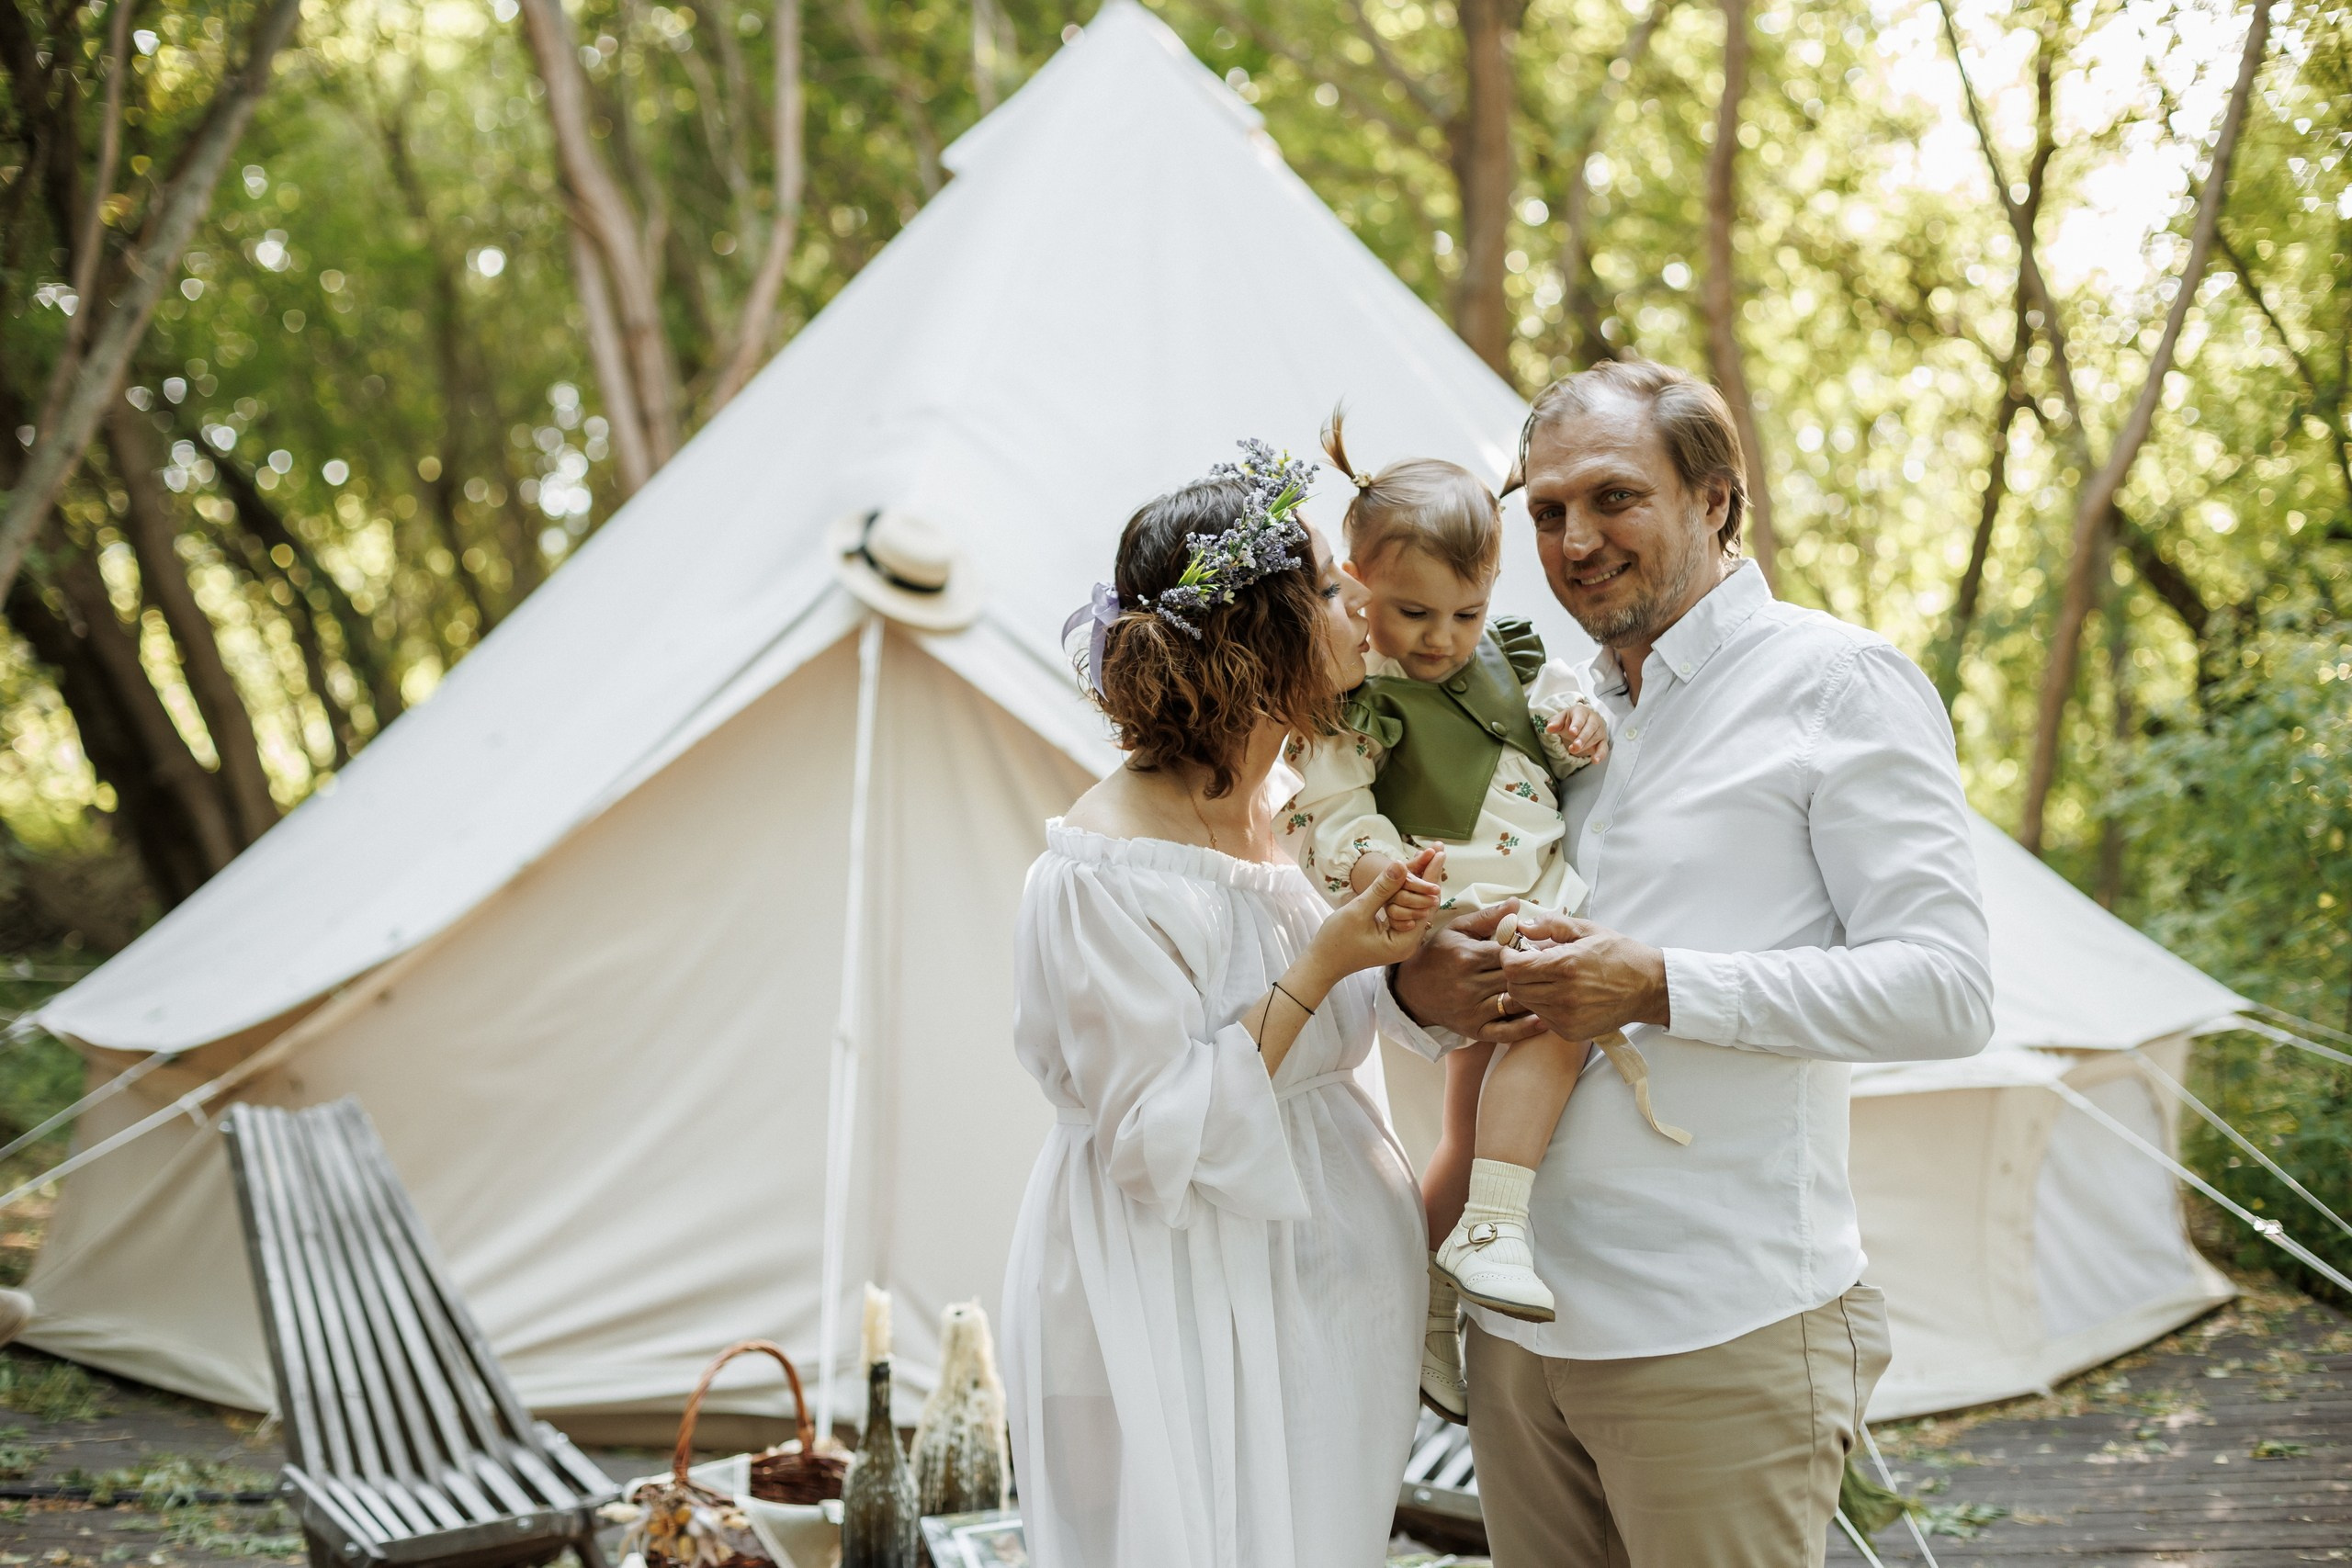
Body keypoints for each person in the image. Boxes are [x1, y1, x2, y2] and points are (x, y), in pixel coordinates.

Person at [1389, 360, 1995, 1567]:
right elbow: (1444, 949)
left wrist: (1658, 981)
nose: (1574, 539)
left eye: (1614, 497)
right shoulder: (1548, 709)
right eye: (1547, 510)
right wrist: (1422, 990)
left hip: (1720, 1332)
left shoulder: (1837, 683)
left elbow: (1948, 988)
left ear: (1718, 500)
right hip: (1517, 1343)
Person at [1001, 443, 1440, 1568]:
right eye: (1327, 588)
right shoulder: (1102, 873)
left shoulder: (1302, 809)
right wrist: (1324, 962)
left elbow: (1359, 1027)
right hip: (1172, 1282)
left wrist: (1413, 957)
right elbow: (1154, 1138)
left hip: (1322, 1288)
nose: (1360, 606)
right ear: (1261, 634)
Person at [1278, 412, 1685, 1427]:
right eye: (1410, 612)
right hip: (1456, 907)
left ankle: (1423, 1300)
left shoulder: (1501, 657)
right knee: (1559, 1021)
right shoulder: (1354, 696)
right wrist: (1379, 869)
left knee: (1464, 1124)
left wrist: (1574, 728)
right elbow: (1331, 808)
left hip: (1535, 892)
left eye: (1463, 613)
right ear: (1357, 585)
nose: (1438, 639)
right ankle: (1494, 1227)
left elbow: (1548, 728)